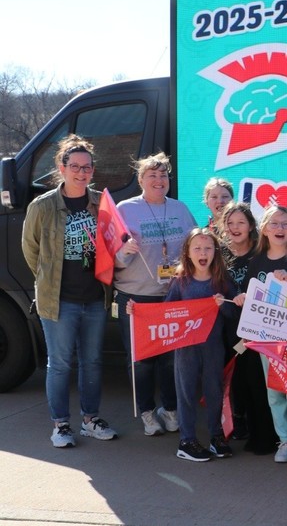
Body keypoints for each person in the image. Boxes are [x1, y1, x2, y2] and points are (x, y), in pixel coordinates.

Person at [22, 135, 117, 447]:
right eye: (74, 166)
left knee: (92, 362)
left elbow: (113, 243)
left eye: (87, 167)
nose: (81, 172)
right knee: (60, 364)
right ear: (61, 168)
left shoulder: (101, 202)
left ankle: (90, 419)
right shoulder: (43, 206)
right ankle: (61, 425)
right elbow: (31, 250)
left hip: (95, 298)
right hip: (59, 300)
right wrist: (49, 281)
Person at [115, 152, 197, 435]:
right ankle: (148, 413)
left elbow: (196, 247)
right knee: (141, 361)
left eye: (163, 175)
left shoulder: (180, 209)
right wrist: (123, 252)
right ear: (140, 180)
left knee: (170, 358)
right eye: (152, 175)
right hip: (135, 298)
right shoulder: (125, 209)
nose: (159, 180)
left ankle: (171, 410)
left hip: (172, 296)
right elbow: (109, 257)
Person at [234, 205, 287, 465]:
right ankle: (285, 439)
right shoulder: (257, 261)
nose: (280, 228)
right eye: (274, 224)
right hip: (266, 338)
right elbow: (253, 296)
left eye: (285, 224)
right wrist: (243, 298)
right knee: (275, 391)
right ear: (265, 229)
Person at [159, 228, 237, 461]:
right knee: (186, 392)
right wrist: (137, 311)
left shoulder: (222, 280)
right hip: (186, 348)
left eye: (207, 248)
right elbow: (165, 312)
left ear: (215, 252)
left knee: (214, 390)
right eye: (197, 248)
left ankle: (216, 436)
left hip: (213, 347)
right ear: (188, 253)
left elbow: (234, 313)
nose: (203, 252)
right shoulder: (180, 281)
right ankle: (187, 440)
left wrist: (223, 304)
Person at [220, 202, 277, 455]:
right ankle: (238, 424)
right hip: (229, 329)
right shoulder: (219, 255)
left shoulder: (259, 253)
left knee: (256, 382)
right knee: (237, 382)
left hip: (257, 330)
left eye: (240, 222)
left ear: (251, 226)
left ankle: (264, 434)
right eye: (230, 223)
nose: (235, 228)